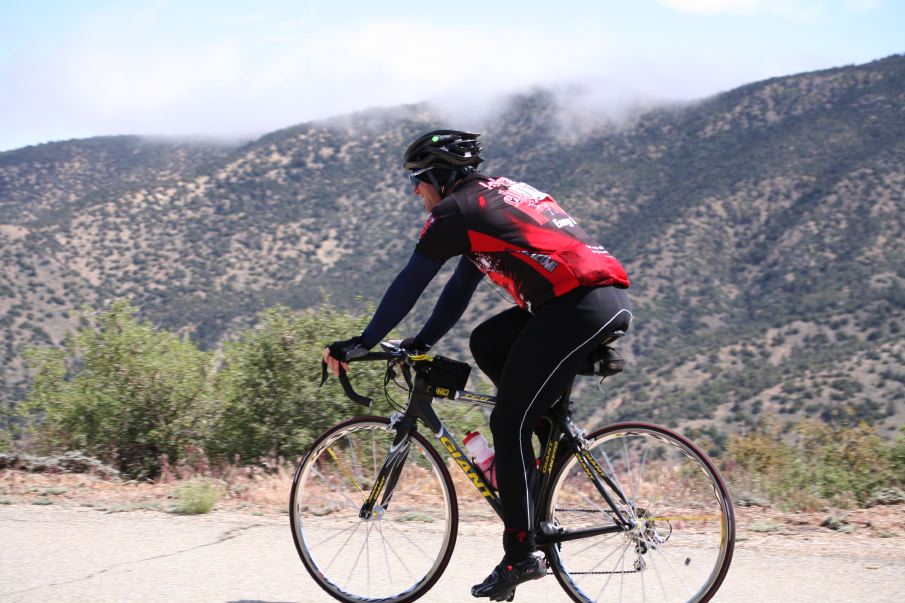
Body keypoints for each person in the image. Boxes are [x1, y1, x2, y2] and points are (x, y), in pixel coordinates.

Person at [323, 130, 632, 600]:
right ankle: (547, 447)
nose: (415, 191)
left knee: (506, 422)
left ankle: (521, 552)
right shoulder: (489, 202)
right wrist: (420, 341)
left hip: (573, 308)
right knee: (488, 341)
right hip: (594, 302)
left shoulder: (455, 212)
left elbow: (412, 281)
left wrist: (363, 342)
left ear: (441, 176)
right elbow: (460, 288)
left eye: (418, 179)